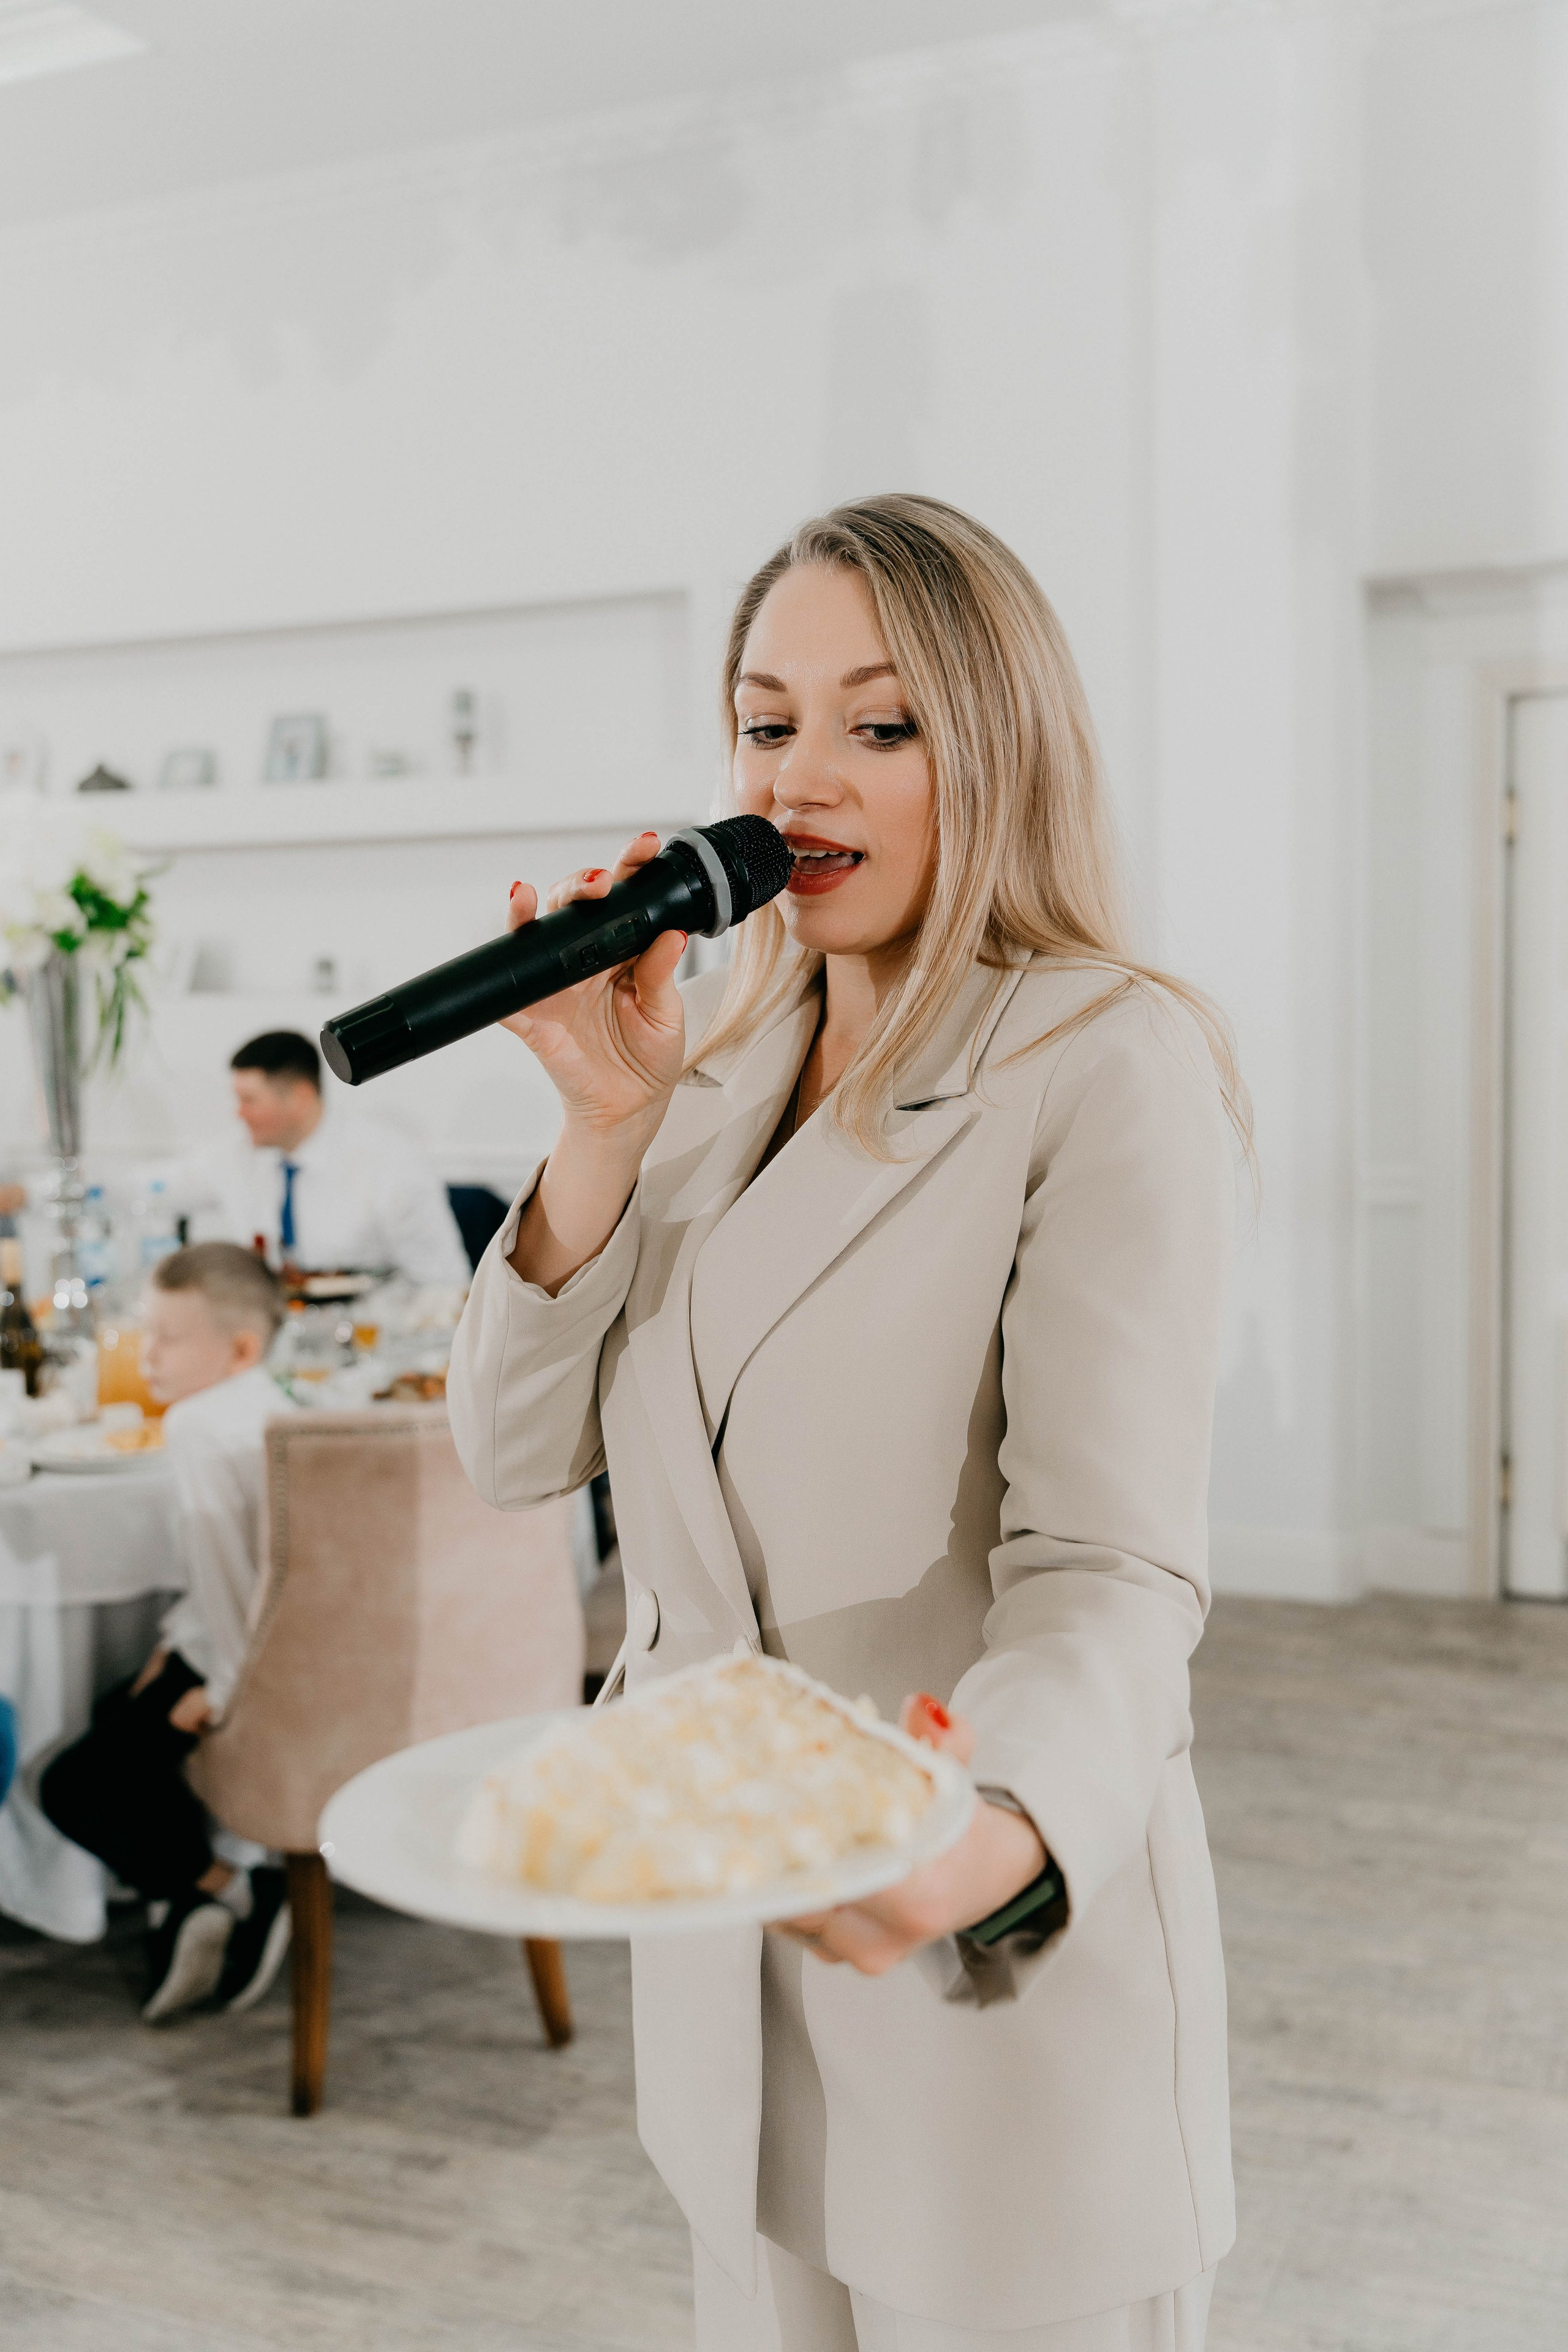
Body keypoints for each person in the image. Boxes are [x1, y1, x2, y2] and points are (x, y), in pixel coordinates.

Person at [447, 495, 1246, 2348]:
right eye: (765, 719)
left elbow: (1108, 1566)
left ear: (1000, 744)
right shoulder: (712, 1063)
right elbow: (507, 1454)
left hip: (979, 1975)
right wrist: (597, 1123)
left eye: (880, 726)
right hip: (733, 1991)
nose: (803, 780)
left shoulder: (1102, 1057)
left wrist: (986, 1831)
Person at [41, 1243, 296, 2023]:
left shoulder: (198, 1427)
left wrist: (221, 1694)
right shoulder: (276, 1406)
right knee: (123, 1710)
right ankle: (197, 1902)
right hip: (273, 1650)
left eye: (166, 1338)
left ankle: (230, 1890)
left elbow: (228, 1579)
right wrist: (171, 1648)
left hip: (248, 1667)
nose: (144, 1355)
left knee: (73, 1785)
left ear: (240, 1348)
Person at [164, 1030, 469, 1285]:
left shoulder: (390, 1163)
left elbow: (444, 1284)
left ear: (301, 1096)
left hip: (368, 1335)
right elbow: (158, 1188)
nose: (239, 1114)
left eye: (249, 1101)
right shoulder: (236, 1155)